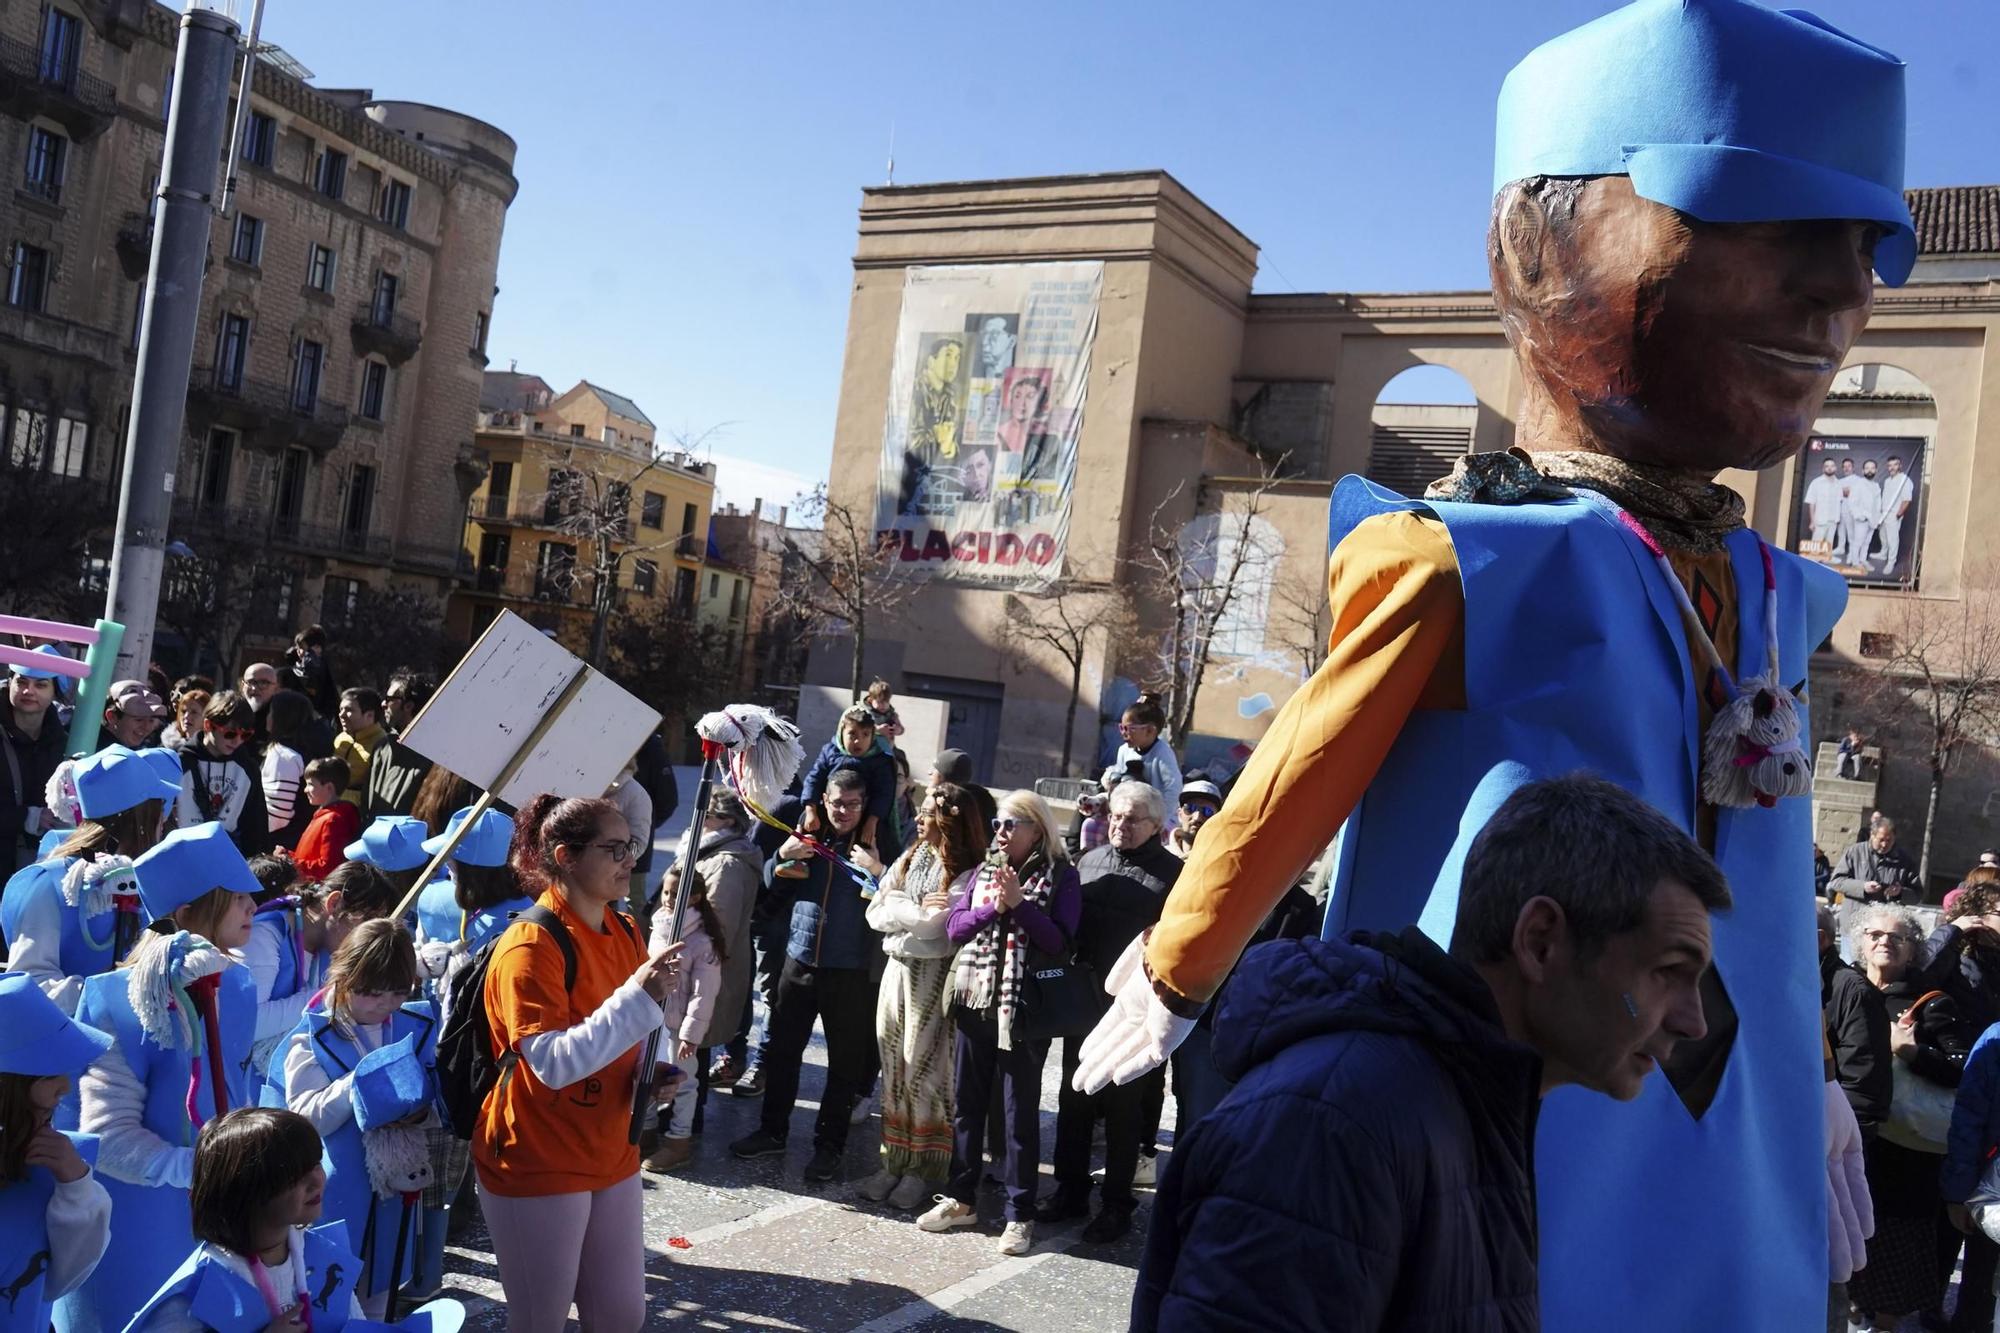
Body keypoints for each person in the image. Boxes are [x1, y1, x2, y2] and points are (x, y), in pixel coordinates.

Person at [1076, 5, 1912, 1325]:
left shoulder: (1760, 589)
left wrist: (1799, 1072)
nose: (1842, 294)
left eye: (1870, 252)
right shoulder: (1474, 558)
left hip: (1721, 1131)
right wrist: (1183, 960)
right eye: (1761, 229)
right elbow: (1311, 752)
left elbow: (1757, 865)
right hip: (1509, 1097)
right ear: (1536, 243)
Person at [1134, 774, 1729, 1329]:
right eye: (1668, 972)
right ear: (1541, 942)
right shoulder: (1333, 1127)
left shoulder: (1462, 1104)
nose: (1694, 1022)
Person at [475, 793, 683, 1333]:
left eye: (630, 845)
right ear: (566, 856)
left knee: (619, 1317)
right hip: (539, 1152)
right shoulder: (529, 945)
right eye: (613, 849)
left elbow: (630, 1034)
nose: (629, 860)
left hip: (611, 1148)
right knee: (540, 1321)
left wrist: (651, 1072)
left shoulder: (626, 928)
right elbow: (552, 1064)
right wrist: (639, 996)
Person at [65, 822, 262, 1333]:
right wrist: (198, 1170)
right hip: (141, 1229)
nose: (252, 908)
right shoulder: (117, 999)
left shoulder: (237, 983)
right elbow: (107, 1135)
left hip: (214, 1219)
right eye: (235, 897)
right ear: (186, 914)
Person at [122, 1105, 463, 1332]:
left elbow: (351, 1320)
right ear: (245, 1192)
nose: (318, 1180)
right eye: (294, 1176)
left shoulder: (320, 1254)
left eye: (315, 1164)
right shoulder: (193, 1296)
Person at [917, 789, 1080, 1256]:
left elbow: (1061, 945)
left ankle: (1019, 1214)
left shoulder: (1062, 876)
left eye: (1011, 825)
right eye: (998, 825)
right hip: (975, 1002)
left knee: (1017, 1116)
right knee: (967, 1106)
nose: (1002, 834)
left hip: (1024, 1012)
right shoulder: (986, 871)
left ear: (1037, 829)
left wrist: (1022, 905)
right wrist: (996, 907)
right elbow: (955, 929)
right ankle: (962, 1198)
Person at [270, 919, 436, 1318]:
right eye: (370, 993)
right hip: (337, 1190)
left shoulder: (415, 1025)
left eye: (396, 993)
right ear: (345, 979)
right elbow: (304, 1116)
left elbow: (436, 1102)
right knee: (332, 1295)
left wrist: (421, 1110)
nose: (383, 1005)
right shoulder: (315, 1035)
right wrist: (359, 1084)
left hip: (396, 1187)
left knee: (382, 1286)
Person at [728, 768, 886, 1180]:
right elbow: (767, 887)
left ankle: (829, 1146)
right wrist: (782, 857)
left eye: (852, 804)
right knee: (782, 1052)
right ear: (825, 800)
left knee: (844, 1066)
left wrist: (879, 872)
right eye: (837, 802)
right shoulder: (809, 836)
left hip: (851, 971)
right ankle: (771, 1130)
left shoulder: (879, 842)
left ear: (864, 803)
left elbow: (899, 901)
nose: (843, 811)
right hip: (798, 961)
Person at [1043, 782, 1180, 1243]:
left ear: (1157, 826)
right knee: (1074, 1099)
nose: (1119, 825)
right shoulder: (1089, 860)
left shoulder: (1175, 876)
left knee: (1124, 1108)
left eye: (1132, 819)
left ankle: (1117, 1202)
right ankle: (1070, 1189)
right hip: (1083, 1006)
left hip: (1134, 1013)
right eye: (1114, 817)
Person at [857, 782, 986, 1211]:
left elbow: (937, 931)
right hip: (897, 970)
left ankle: (924, 1168)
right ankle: (893, 1160)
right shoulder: (912, 856)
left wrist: (898, 907)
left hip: (932, 977)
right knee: (893, 1066)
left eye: (928, 812)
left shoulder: (968, 870)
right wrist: (904, 905)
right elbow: (875, 911)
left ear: (948, 820)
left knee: (925, 1070)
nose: (919, 817)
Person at [1846, 903, 1974, 1330]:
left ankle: (1883, 1324)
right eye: (1875, 935)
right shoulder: (1843, 989)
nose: (1884, 942)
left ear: (1912, 951)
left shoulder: (1930, 1004)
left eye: (1896, 937)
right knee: (1849, 1231)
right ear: (1861, 943)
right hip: (1852, 1140)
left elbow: (1962, 1066)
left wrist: (1911, 1051)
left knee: (1894, 1242)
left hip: (1906, 1152)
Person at [4, 745, 181, 1017]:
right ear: (141, 819)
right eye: (158, 810)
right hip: (71, 1048)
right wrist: (112, 1000)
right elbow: (30, 980)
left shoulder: (148, 881)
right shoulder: (52, 883)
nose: (164, 822)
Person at [0, 973, 114, 1333]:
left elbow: (61, 1279)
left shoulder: (56, 1164)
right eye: (49, 1074)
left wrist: (75, 1186)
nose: (66, 1086)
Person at [644, 791, 757, 1132]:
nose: (697, 822)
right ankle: (668, 1121)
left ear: (726, 822)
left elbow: (716, 925)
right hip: (681, 980)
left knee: (691, 1057)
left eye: (704, 816)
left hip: (699, 977)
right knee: (677, 1057)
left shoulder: (725, 863)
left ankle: (684, 1132)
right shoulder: (708, 853)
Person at [242, 860, 399, 1079]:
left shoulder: (328, 944)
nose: (365, 936)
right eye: (365, 922)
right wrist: (334, 995)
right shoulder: (265, 935)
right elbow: (250, 1024)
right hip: (252, 1084)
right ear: (334, 903)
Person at [640, 870, 724, 1173]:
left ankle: (678, 1141)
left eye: (677, 894)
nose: (668, 899)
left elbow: (704, 994)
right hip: (653, 1022)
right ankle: (645, 1132)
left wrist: (691, 1034)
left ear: (695, 897)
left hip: (678, 1028)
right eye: (666, 892)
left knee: (684, 1085)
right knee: (647, 1077)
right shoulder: (658, 926)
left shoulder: (702, 942)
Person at [1823, 900, 1892, 1141]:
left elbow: (1862, 1079)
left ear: (1820, 939)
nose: (1884, 942)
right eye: (1875, 935)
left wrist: (1844, 1138)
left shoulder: (1854, 991)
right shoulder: (1808, 980)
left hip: (1834, 1133)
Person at [172, 691, 273, 856]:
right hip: (182, 850)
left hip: (227, 853)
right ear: (208, 725)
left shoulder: (248, 768)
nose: (237, 741)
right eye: (230, 733)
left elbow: (256, 824)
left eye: (245, 735)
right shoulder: (179, 762)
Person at [798, 705, 897, 864]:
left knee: (878, 839)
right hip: (830, 812)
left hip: (864, 817)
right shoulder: (830, 752)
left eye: (865, 734)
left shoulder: (879, 761)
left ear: (873, 736)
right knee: (805, 824)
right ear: (841, 732)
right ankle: (798, 863)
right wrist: (811, 809)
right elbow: (814, 779)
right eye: (852, 734)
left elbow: (884, 793)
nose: (858, 740)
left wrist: (872, 821)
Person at [3, 647, 70, 878]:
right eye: (21, 682)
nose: (28, 691)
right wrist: (27, 817)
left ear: (55, 691)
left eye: (40, 684)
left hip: (39, 866)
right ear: (9, 683)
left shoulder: (64, 740)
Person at [363, 671, 436, 819]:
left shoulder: (434, 757)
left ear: (408, 706)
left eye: (390, 699)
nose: (383, 704)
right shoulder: (381, 749)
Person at [1109, 695, 1181, 826]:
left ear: (1150, 730)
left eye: (1129, 729)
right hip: (1129, 814)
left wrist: (1160, 821)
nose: (1124, 733)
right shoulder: (1123, 750)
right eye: (1122, 728)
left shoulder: (1163, 753)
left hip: (1157, 818)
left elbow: (1173, 789)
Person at [260, 689, 318, 850]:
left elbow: (277, 816)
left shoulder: (284, 756)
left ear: (282, 717)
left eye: (271, 711)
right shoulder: (300, 749)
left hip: (281, 843)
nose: (267, 717)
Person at [291, 756, 362, 883]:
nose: (305, 789)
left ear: (329, 787)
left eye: (310, 784)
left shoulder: (333, 820)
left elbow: (327, 868)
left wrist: (290, 861)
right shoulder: (325, 814)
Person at [1830, 818, 1924, 905]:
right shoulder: (1855, 852)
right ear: (1872, 835)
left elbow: (1917, 895)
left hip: (1886, 918)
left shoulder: (1905, 860)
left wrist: (1900, 892)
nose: (1884, 844)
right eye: (1881, 840)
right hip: (1855, 915)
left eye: (1889, 840)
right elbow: (1836, 881)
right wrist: (1862, 887)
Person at [332, 689, 387, 807]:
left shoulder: (383, 745)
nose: (341, 715)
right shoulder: (341, 739)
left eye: (349, 710)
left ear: (369, 715)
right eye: (341, 709)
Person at [284, 626, 339, 720]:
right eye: (300, 648)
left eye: (310, 648)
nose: (303, 653)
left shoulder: (324, 667)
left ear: (320, 648)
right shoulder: (294, 665)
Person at [101, 680, 169, 751]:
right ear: (112, 717)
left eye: (151, 720)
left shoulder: (143, 751)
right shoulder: (93, 750)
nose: (147, 727)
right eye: (139, 720)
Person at [1876, 455, 1916, 574]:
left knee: (1893, 539)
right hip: (1883, 514)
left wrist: (1898, 515)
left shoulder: (1905, 479)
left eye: (1895, 464)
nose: (1892, 467)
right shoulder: (1887, 481)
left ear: (1900, 465)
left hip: (1894, 515)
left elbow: (1907, 500)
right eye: (1890, 465)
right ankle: (1883, 554)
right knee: (1883, 535)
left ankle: (1891, 562)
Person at [1164, 779, 1221, 859]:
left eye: (1208, 811)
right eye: (1190, 808)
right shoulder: (1158, 859)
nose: (1197, 818)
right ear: (1179, 814)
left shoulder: (1221, 862)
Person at [1845, 457, 1884, 573]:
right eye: (1867, 468)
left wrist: (1877, 518)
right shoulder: (1858, 484)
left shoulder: (1876, 486)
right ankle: (1855, 562)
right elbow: (1852, 502)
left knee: (1867, 542)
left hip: (1873, 519)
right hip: (1861, 519)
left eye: (1872, 468)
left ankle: (1863, 560)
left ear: (1876, 470)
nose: (1869, 470)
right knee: (1858, 542)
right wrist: (1860, 516)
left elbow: (1878, 504)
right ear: (1862, 471)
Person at [157, 676, 213, 752]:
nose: (186, 716)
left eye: (194, 712)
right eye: (183, 711)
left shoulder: (214, 751)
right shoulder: (165, 746)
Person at [1806, 457, 1845, 551]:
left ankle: (1825, 561)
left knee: (1828, 546)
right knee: (1815, 549)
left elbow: (1839, 502)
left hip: (1833, 520)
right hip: (1819, 520)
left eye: (1832, 466)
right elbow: (1811, 503)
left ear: (1835, 468)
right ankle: (1813, 563)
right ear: (1823, 468)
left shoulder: (1838, 484)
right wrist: (1812, 521)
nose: (1829, 468)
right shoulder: (1816, 483)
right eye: (1827, 466)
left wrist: (1838, 519)